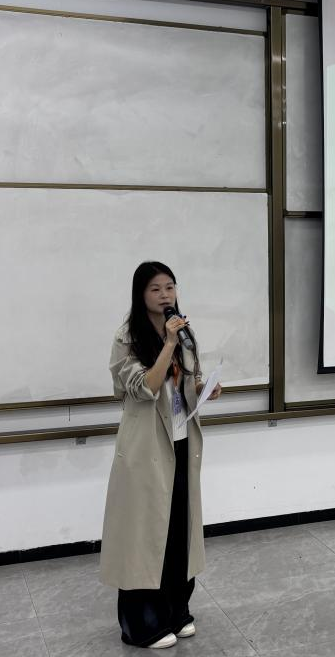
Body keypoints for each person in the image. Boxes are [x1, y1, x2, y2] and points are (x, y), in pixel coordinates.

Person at [100, 261, 221, 649]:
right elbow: (145, 387)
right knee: (145, 534)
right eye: (155, 289)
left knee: (178, 530)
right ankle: (141, 624)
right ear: (141, 294)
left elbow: (187, 379)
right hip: (146, 447)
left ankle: (176, 611)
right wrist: (168, 344)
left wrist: (203, 387)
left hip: (181, 441)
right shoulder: (127, 337)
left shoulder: (184, 331)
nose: (165, 295)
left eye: (170, 286)